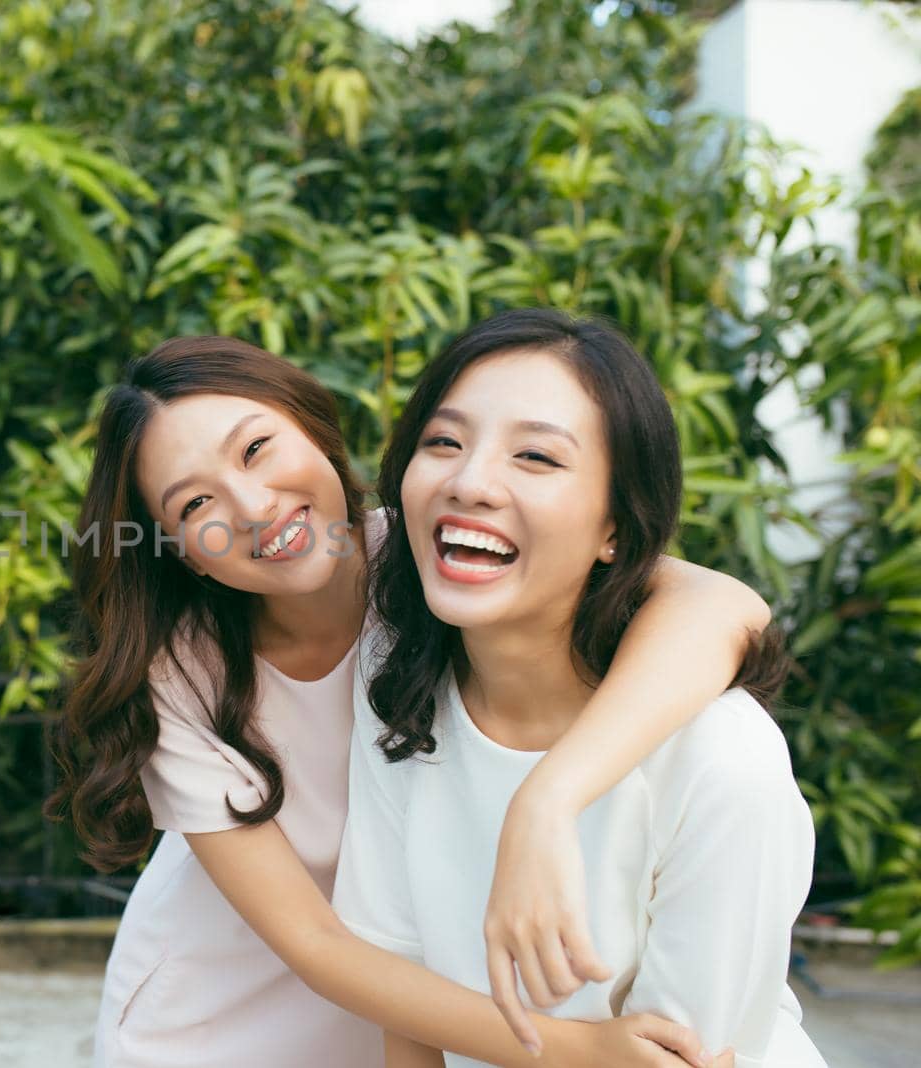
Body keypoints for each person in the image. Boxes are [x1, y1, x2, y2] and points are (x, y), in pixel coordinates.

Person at [47, 334, 771, 1068]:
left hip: (421, 1008)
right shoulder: (183, 675)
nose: (253, 506)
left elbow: (720, 605)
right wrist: (578, 1053)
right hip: (218, 1019)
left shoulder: (442, 558)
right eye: (195, 501)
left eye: (256, 449)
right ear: (176, 545)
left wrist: (548, 799)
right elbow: (317, 946)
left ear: (315, 427)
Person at [333, 309, 825, 1067]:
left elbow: (683, 1058)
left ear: (616, 532)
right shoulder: (400, 684)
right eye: (443, 442)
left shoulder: (723, 760)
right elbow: (408, 1011)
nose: (470, 481)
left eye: (535, 457)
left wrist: (544, 803)